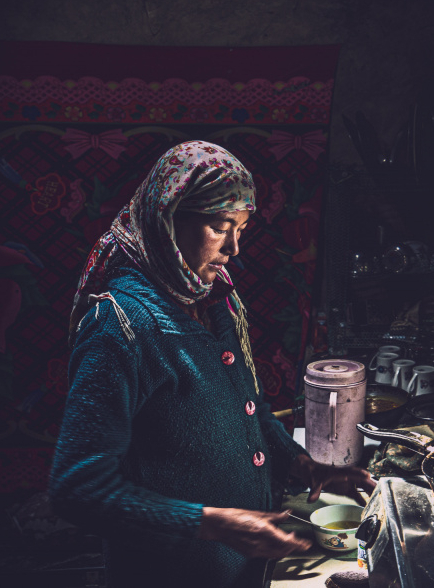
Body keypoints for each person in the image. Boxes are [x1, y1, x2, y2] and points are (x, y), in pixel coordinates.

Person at [49, 141, 375, 588]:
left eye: (242, 228)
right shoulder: (120, 327)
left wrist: (304, 466)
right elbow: (77, 488)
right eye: (222, 227)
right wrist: (213, 523)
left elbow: (247, 409)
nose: (235, 248)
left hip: (241, 569)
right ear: (167, 218)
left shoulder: (215, 300)